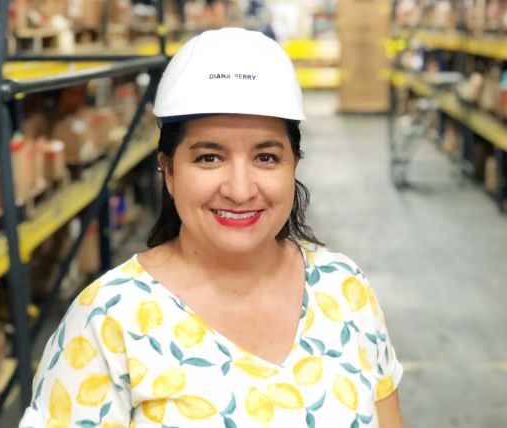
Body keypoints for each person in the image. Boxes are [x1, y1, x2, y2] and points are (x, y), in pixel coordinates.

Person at [20, 27, 403, 427]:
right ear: (168, 170)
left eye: (266, 158)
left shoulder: (345, 289)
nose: (240, 190)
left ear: (294, 165)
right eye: (209, 158)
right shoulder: (106, 321)